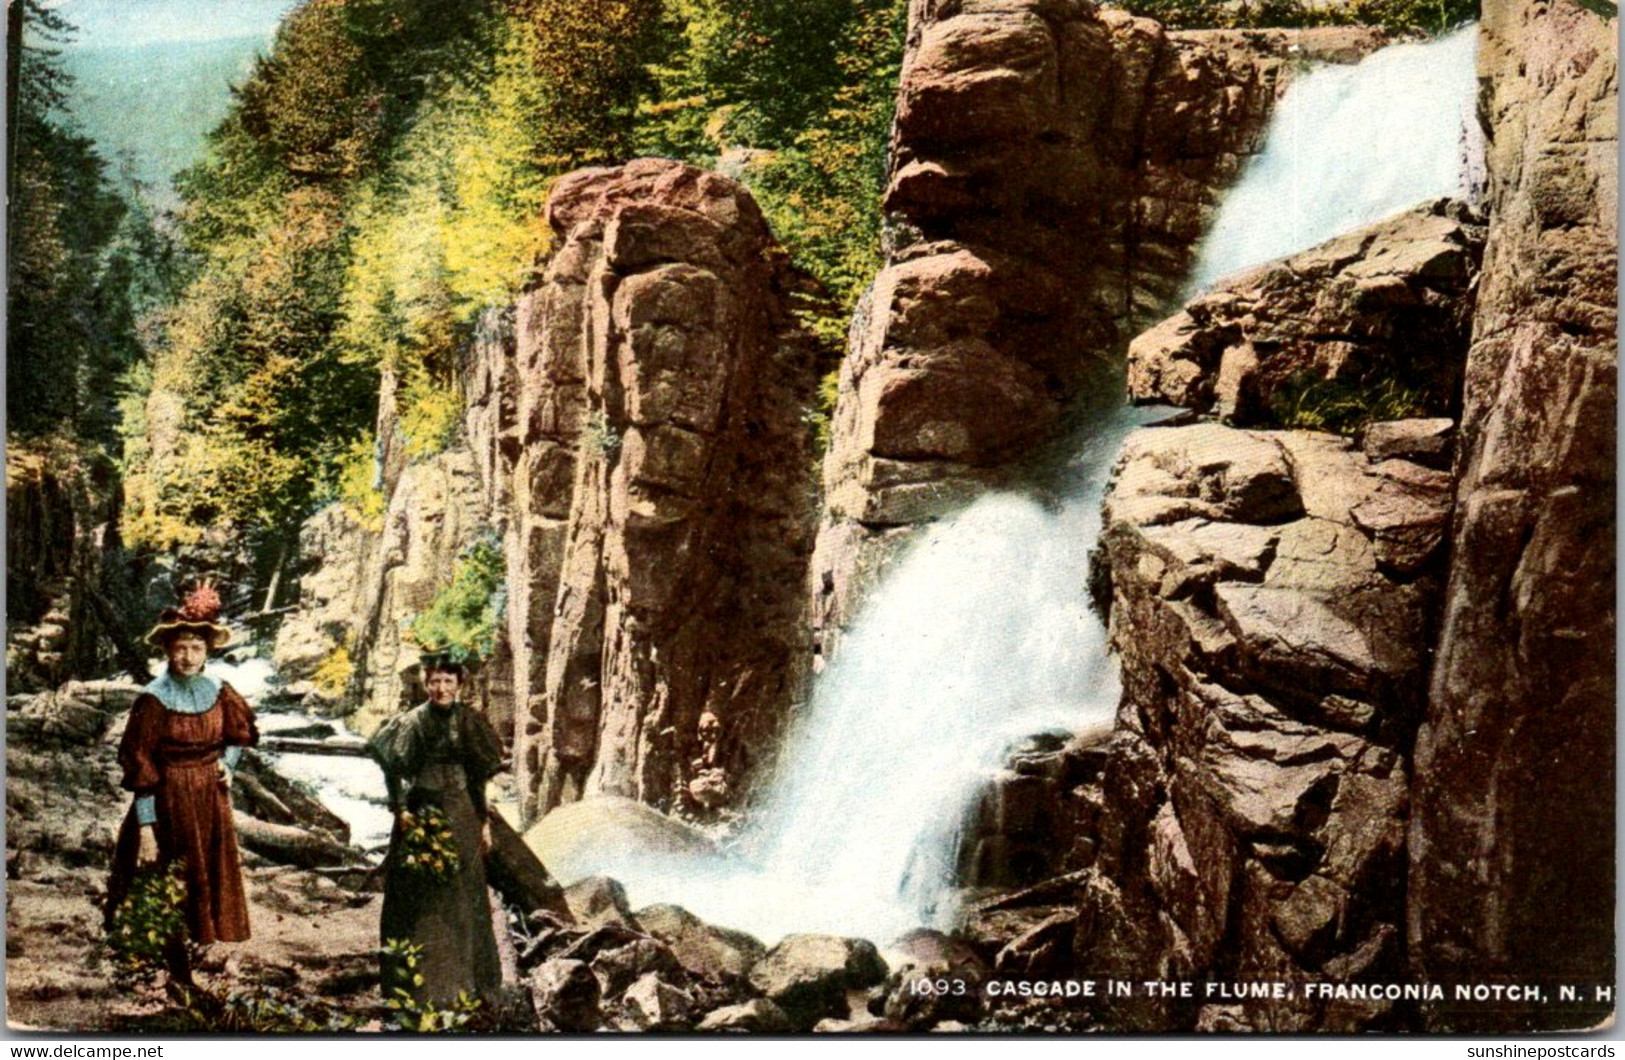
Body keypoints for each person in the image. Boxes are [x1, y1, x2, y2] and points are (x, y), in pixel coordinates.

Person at [105, 582, 257, 983]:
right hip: (168, 798)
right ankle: (174, 972)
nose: (188, 657)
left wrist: (229, 762)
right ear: (167, 651)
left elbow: (239, 735)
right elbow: (141, 768)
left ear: (207, 652)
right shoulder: (153, 700)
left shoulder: (219, 690)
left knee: (203, 879)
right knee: (166, 880)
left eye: (196, 648)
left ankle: (191, 960)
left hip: (210, 798)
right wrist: (147, 828)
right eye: (180, 648)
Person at [367, 653, 504, 1006]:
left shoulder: (471, 722)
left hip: (460, 812)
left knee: (464, 893)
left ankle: (468, 987)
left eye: (448, 681)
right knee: (416, 893)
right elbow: (391, 769)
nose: (441, 688)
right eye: (435, 682)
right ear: (426, 684)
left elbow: (478, 777)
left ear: (459, 685)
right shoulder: (411, 722)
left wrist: (483, 820)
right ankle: (413, 988)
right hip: (420, 809)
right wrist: (399, 809)